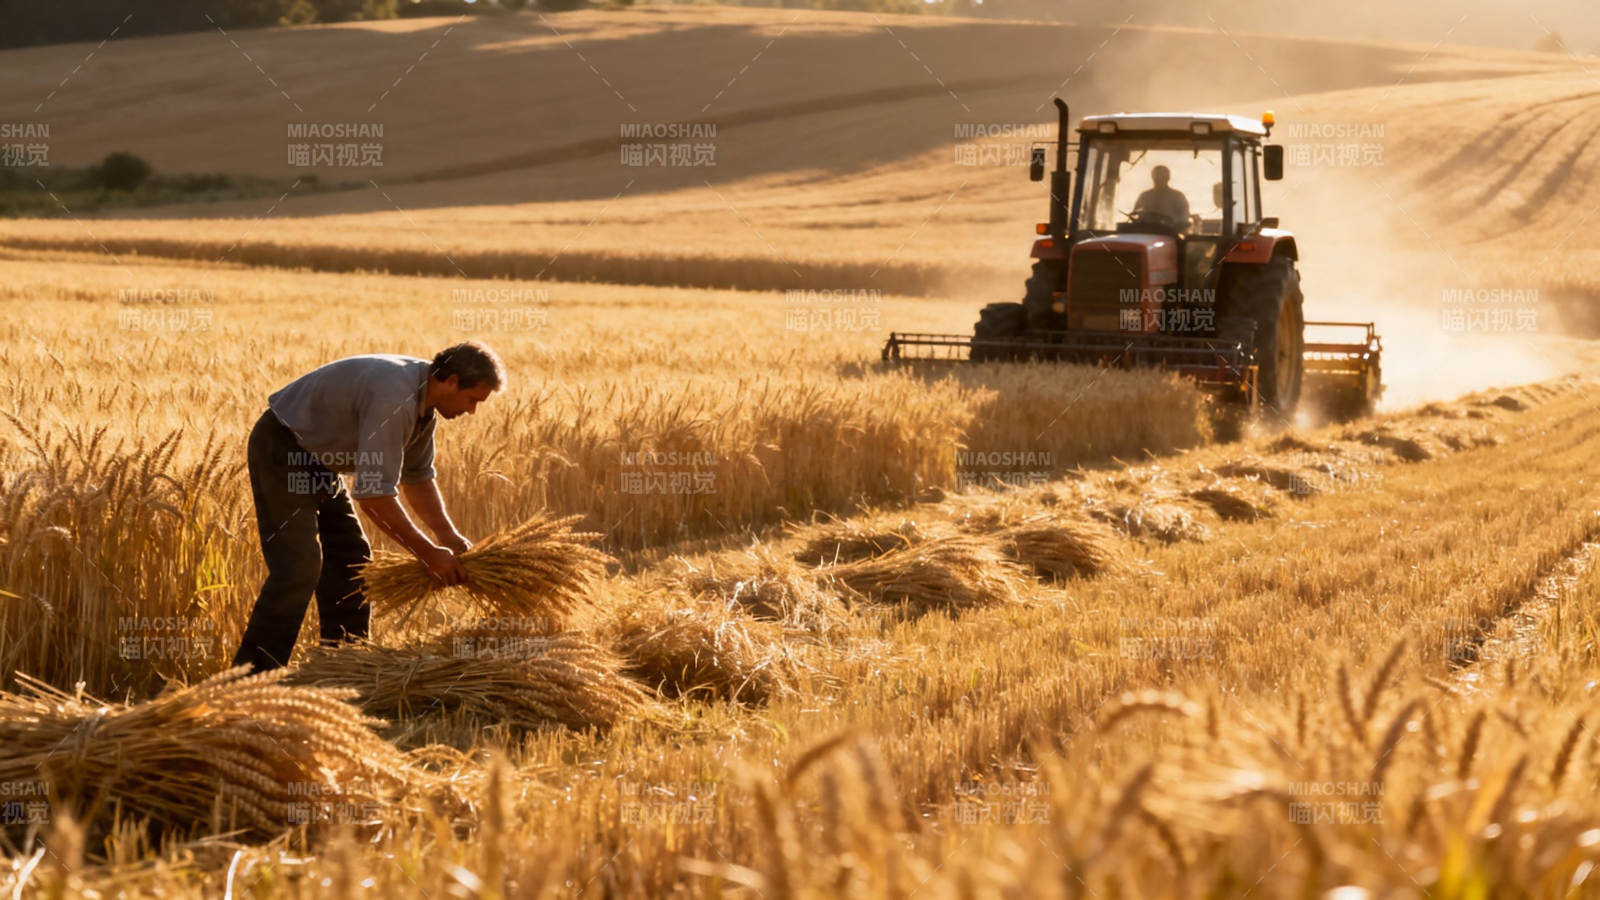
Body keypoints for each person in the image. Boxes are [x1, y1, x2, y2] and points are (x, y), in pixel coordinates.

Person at [231, 341, 505, 671]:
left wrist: (448, 537)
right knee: (299, 567)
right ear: (451, 381)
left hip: (321, 462)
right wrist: (427, 553)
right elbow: (374, 497)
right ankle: (249, 680)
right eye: (472, 399)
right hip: (285, 449)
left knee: (352, 561)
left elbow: (416, 478)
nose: (472, 411)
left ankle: (344, 669)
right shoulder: (396, 398)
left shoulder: (424, 408)